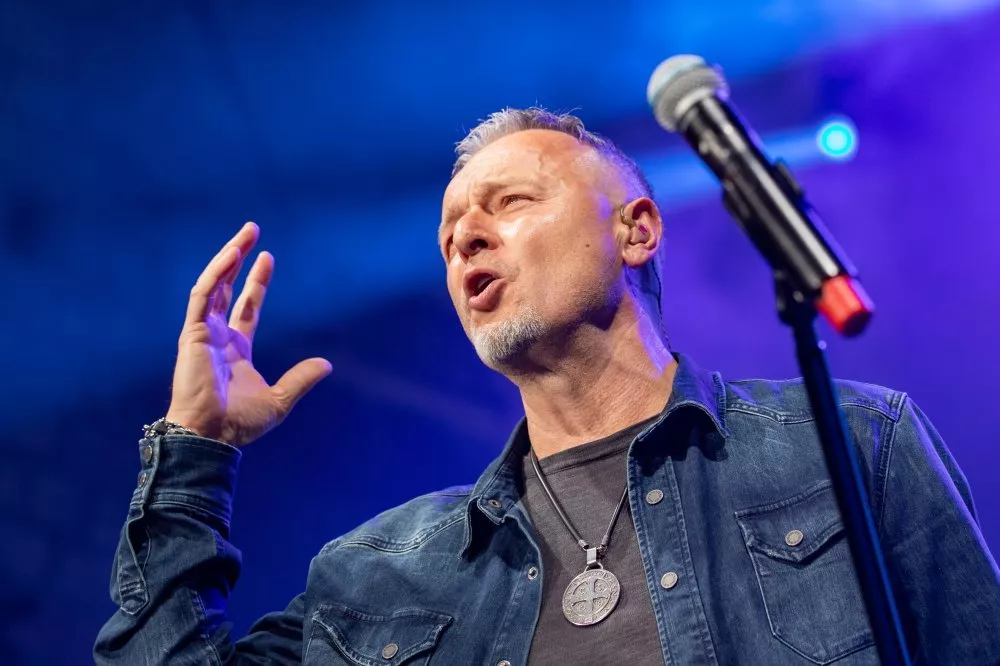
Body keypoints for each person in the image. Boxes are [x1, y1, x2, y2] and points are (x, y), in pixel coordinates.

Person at [95, 108, 1000, 665]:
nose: (465, 238)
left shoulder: (852, 444)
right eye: (450, 232)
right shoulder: (380, 574)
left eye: (510, 203)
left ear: (636, 231)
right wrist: (195, 451)